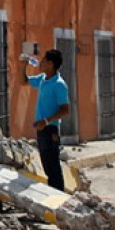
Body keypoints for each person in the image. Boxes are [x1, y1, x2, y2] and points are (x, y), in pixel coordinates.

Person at [23, 48, 70, 191]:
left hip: (50, 130)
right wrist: (23, 66)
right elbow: (24, 81)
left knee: (53, 167)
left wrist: (46, 121)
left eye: (43, 60)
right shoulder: (43, 79)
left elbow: (65, 110)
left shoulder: (59, 84)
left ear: (50, 64)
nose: (40, 63)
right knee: (47, 166)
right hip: (42, 129)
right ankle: (53, 195)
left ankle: (59, 197)